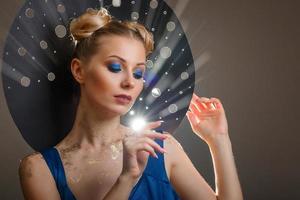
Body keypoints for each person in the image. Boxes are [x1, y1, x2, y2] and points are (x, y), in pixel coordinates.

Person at [18, 8, 243, 200]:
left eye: (138, 73)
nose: (129, 82)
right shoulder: (38, 170)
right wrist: (127, 178)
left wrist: (219, 140)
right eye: (115, 68)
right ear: (79, 70)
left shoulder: (161, 148)